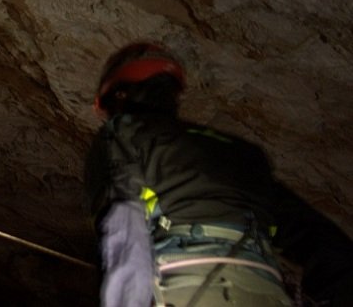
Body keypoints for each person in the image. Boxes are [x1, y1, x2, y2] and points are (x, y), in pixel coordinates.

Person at [84, 42, 353, 306]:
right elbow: (325, 241)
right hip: (268, 291)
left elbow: (123, 222)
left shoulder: (122, 133)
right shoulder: (245, 154)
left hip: (187, 284)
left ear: (118, 96)